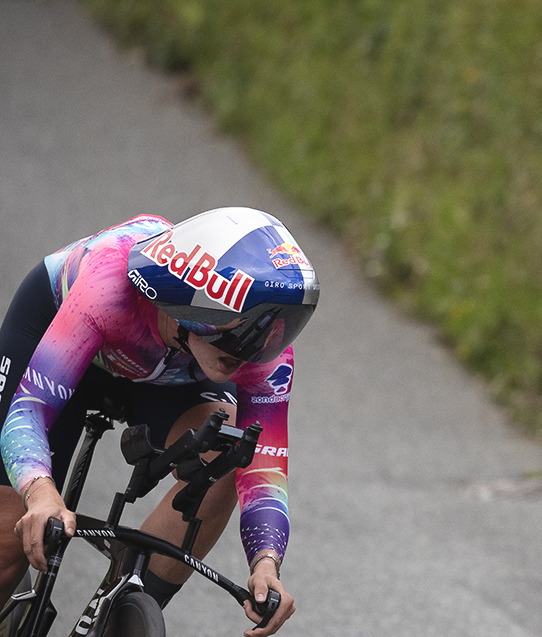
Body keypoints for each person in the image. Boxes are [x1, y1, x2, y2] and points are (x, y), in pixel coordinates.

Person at [0, 207, 319, 637]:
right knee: (8, 537)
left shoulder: (263, 351)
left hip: (164, 369)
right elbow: (29, 409)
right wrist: (40, 494)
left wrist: (266, 563)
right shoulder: (110, 282)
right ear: (192, 306)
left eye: (273, 330)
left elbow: (264, 467)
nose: (257, 348)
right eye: (243, 329)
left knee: (227, 451)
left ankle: (118, 606)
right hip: (63, 327)